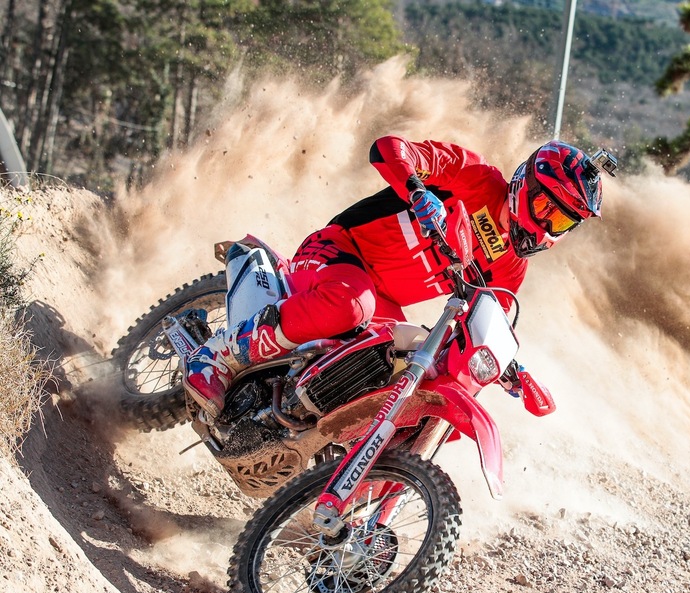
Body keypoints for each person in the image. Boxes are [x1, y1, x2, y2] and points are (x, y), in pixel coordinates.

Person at [184, 135, 615, 417]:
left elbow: (485, 324)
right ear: (525, 185)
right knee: (353, 304)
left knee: (402, 370)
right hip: (337, 251)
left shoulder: (511, 267)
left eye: (562, 221)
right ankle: (218, 356)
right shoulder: (474, 177)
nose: (547, 225)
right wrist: (418, 190)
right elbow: (389, 148)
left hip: (381, 303)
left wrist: (509, 367)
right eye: (546, 207)